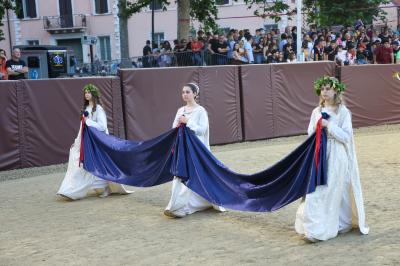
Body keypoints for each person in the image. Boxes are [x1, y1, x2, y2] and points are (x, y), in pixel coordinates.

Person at [295, 76, 369, 242]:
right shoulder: (316, 112)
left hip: (337, 155)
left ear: (336, 90)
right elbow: (310, 134)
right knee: (317, 191)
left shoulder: (343, 112)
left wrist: (330, 126)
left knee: (335, 190)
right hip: (319, 156)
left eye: (328, 88)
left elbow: (346, 137)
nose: (325, 92)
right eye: (322, 89)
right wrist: (318, 129)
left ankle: (338, 224)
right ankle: (314, 229)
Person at [57, 84, 130, 200]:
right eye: (85, 92)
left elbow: (102, 126)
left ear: (94, 94)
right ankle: (70, 190)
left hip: (97, 142)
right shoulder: (86, 109)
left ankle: (105, 187)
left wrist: (88, 122)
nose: (86, 94)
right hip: (86, 141)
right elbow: (82, 127)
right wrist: (77, 141)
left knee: (98, 165)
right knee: (76, 159)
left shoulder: (99, 109)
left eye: (89, 92)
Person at [164, 83, 225, 218]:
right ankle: (175, 206)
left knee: (194, 176)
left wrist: (188, 122)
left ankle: (189, 205)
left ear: (195, 94)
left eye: (188, 92)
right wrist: (179, 124)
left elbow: (202, 130)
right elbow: (174, 127)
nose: (185, 94)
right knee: (180, 175)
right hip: (183, 149)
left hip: (196, 150)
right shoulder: (180, 110)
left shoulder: (200, 111)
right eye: (183, 92)